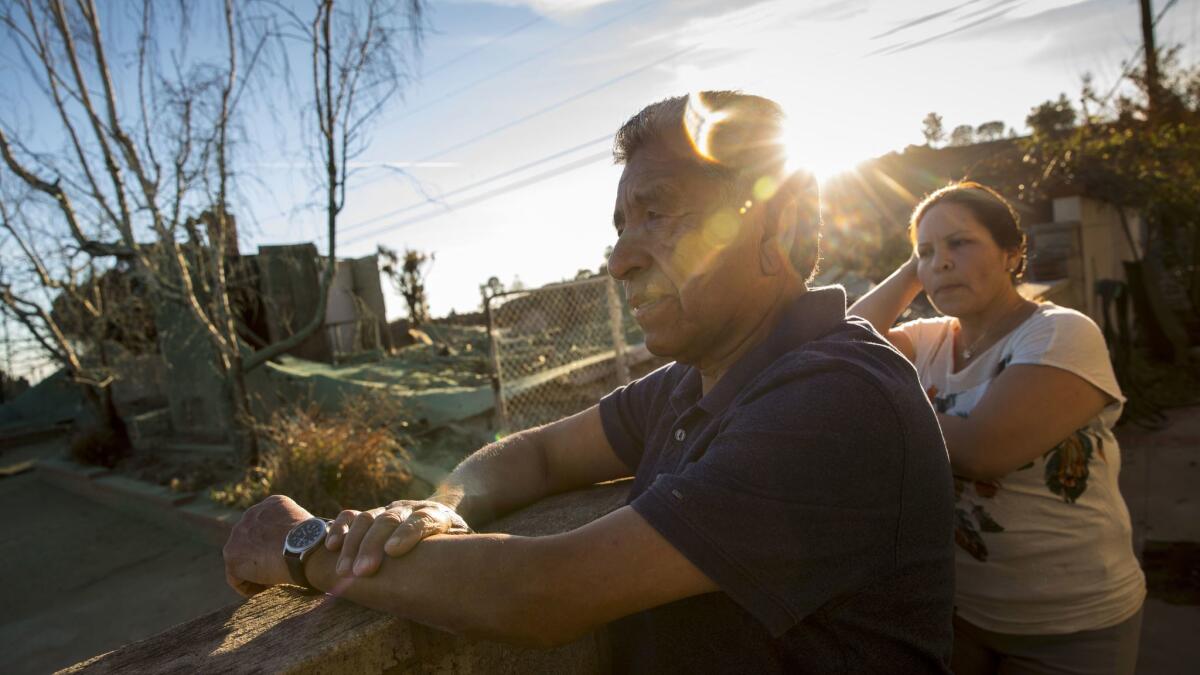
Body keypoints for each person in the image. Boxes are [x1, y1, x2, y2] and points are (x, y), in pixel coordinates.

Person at [224, 91, 955, 673]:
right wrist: (439, 506)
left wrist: (302, 544)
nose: (618, 260)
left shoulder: (836, 400)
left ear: (776, 227)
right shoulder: (690, 380)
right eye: (620, 224)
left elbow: (546, 591)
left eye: (656, 213)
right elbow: (536, 454)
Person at [849, 181, 1146, 674]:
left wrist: (882, 410)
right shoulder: (929, 341)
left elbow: (984, 451)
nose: (941, 261)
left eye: (960, 243)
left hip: (1073, 624)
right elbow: (843, 347)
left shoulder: (1060, 332)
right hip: (961, 615)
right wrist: (917, 268)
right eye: (926, 252)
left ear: (1011, 253)